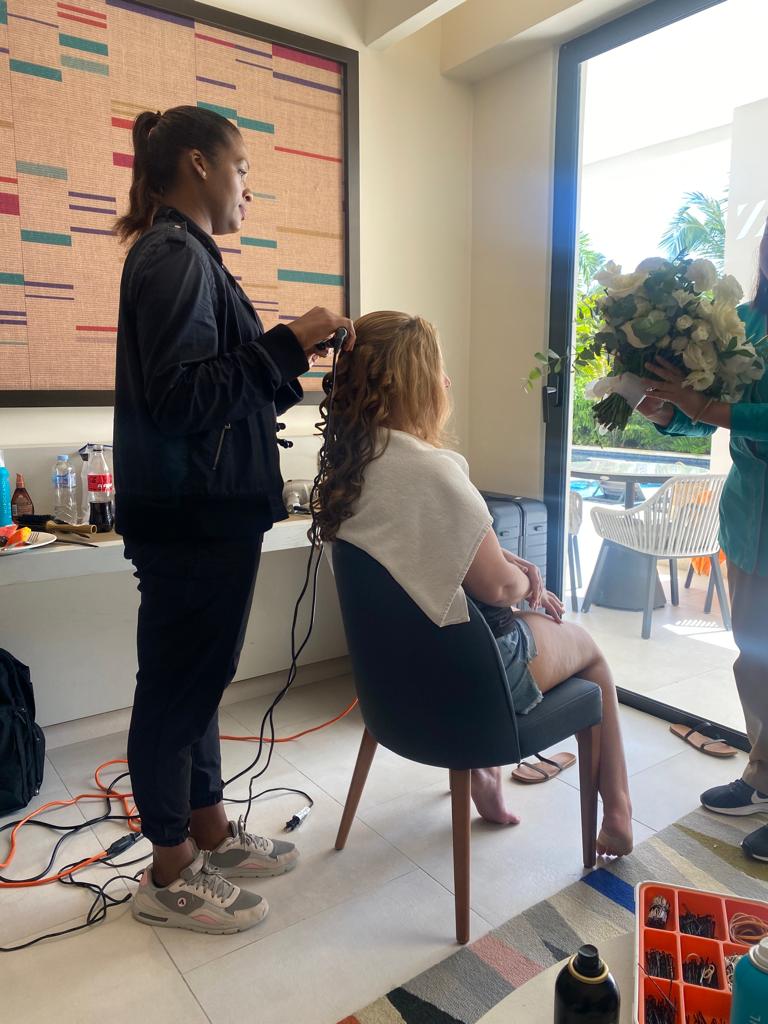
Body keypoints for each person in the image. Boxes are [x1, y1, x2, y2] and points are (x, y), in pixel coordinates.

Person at [113, 105, 355, 933]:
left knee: (200, 683)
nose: (250, 184)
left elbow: (212, 384)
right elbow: (182, 400)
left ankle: (209, 831)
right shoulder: (175, 256)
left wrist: (285, 354)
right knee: (176, 692)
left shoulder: (187, 257)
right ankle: (168, 870)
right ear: (199, 164)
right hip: (194, 522)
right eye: (244, 167)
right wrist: (289, 344)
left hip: (207, 516)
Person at [315, 311, 633, 857]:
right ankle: (621, 816)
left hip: (393, 679)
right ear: (415, 384)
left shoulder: (350, 468)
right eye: (437, 371)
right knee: (587, 650)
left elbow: (418, 552)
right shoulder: (432, 471)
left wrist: (502, 557)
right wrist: (522, 580)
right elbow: (499, 591)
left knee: (472, 622)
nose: (447, 382)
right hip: (468, 684)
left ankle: (482, 777)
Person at [635, 234, 768, 863]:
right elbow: (702, 408)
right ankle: (762, 777)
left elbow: (722, 407)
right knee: (754, 657)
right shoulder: (743, 322)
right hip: (748, 516)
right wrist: (668, 412)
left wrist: (707, 407)